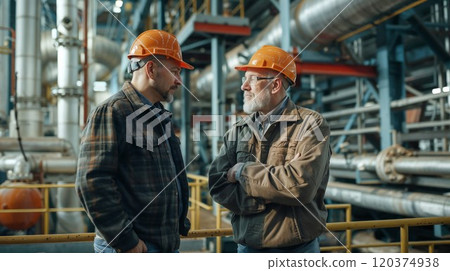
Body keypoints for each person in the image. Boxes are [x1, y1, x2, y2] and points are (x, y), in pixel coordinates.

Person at [76, 29, 193, 253]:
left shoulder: (159, 115)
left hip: (161, 246)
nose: (179, 81)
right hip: (132, 249)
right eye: (175, 71)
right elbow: (92, 181)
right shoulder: (113, 111)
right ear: (151, 69)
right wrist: (125, 241)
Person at [208, 45, 331, 253]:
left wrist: (241, 172)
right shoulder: (239, 131)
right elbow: (217, 183)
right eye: (243, 79)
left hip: (297, 251)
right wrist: (264, 199)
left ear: (275, 86)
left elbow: (301, 186)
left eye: (252, 79)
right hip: (248, 249)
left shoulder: (311, 125)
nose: (244, 86)